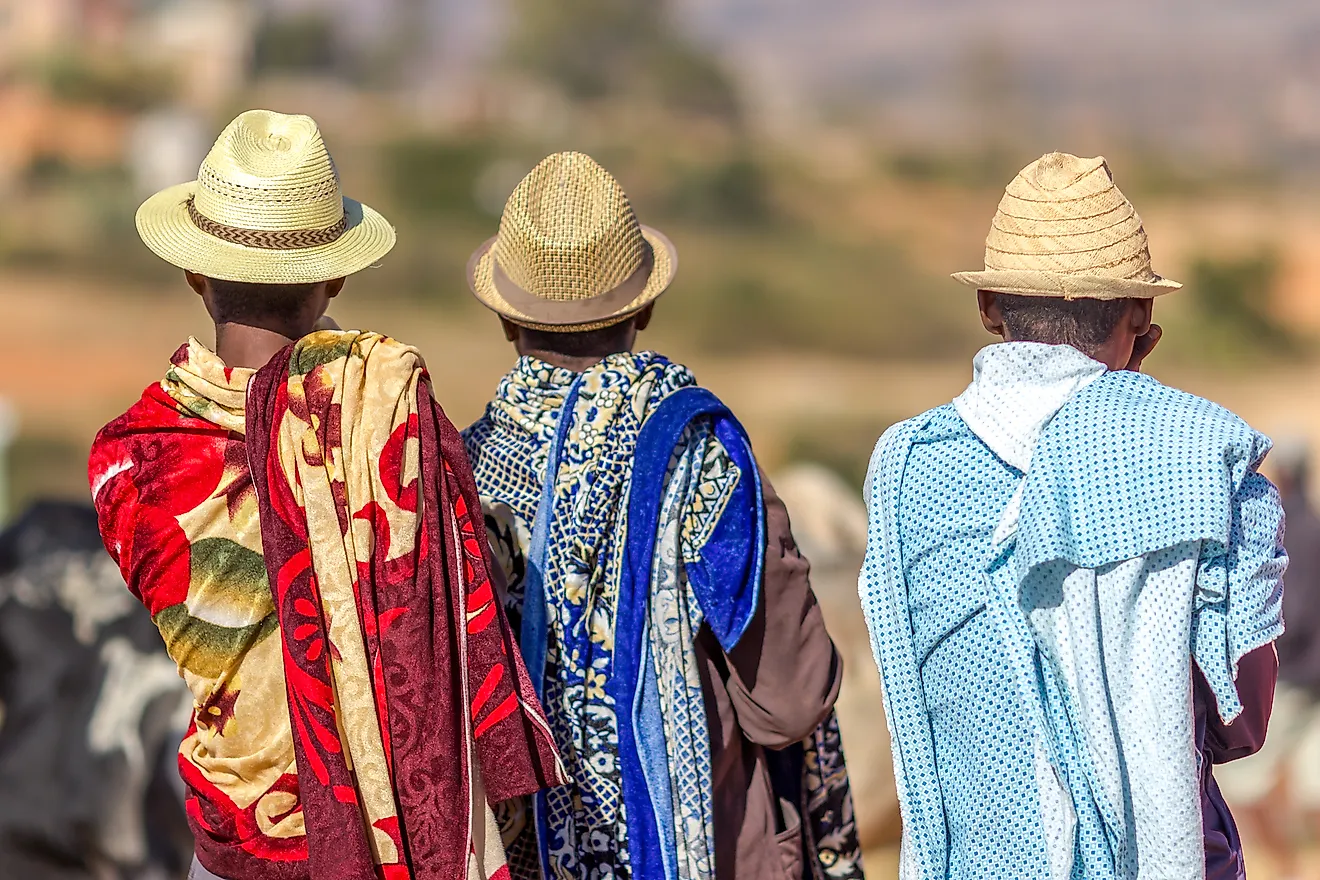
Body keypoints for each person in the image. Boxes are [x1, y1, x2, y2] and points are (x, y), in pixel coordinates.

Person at [88, 110, 563, 880]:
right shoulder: (387, 414)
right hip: (397, 839)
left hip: (239, 835)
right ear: (337, 277)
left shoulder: (130, 457)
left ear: (194, 275)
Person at [859, 152, 1286, 880]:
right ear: (1142, 315)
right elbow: (1240, 720)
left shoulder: (905, 466)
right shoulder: (1209, 454)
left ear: (989, 307)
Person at [460, 151, 863, 880]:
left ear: (504, 319)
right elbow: (790, 699)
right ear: (643, 308)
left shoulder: (464, 472)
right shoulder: (700, 455)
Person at [1214, 441, 1320, 877]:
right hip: (1311, 677)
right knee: (1307, 790)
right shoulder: (1314, 525)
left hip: (1293, 680)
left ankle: (1287, 864)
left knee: (1244, 786)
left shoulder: (1283, 526)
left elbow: (1286, 615)